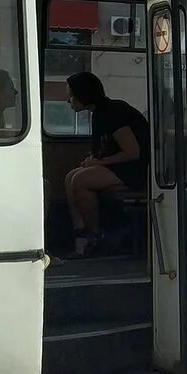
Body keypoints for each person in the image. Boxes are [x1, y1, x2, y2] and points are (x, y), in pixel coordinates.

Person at [62, 71, 151, 258]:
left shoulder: (113, 112)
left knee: (80, 180)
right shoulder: (100, 112)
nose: (68, 100)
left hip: (137, 168)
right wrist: (92, 160)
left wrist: (99, 162)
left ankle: (95, 235)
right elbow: (105, 147)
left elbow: (132, 152)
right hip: (120, 166)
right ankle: (81, 234)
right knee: (70, 176)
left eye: (71, 95)